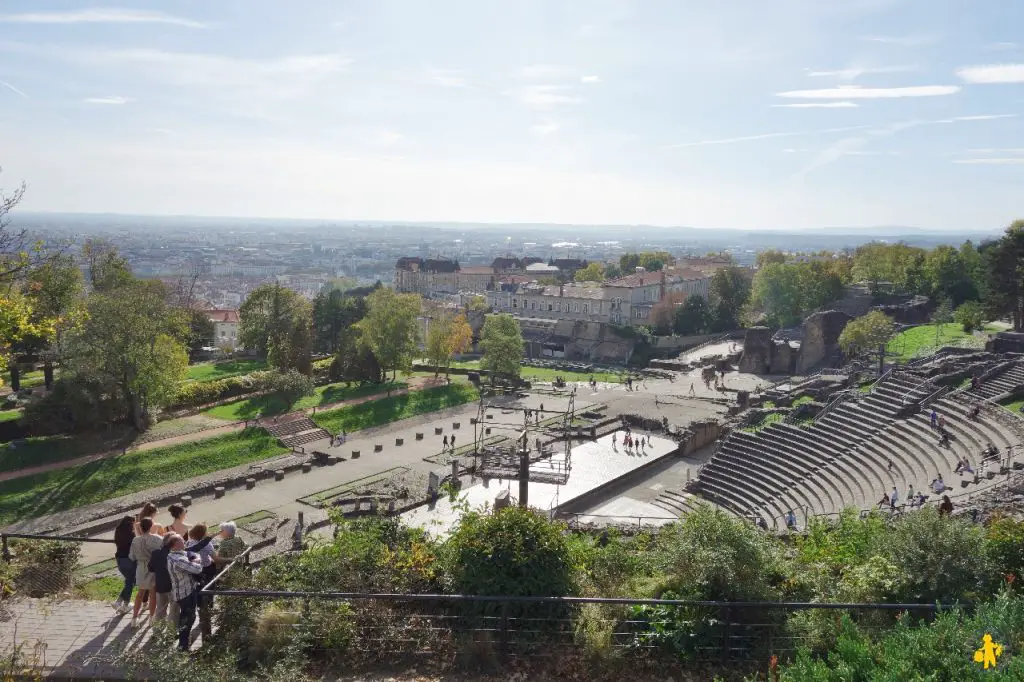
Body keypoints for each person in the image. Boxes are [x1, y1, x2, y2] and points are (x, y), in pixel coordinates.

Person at [166, 533, 204, 651]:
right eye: (182, 540)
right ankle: (183, 646)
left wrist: (193, 559)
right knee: (189, 619)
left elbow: (187, 556)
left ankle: (183, 642)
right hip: (186, 593)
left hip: (180, 592)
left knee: (185, 617)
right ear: (175, 544)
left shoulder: (172, 555)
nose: (184, 541)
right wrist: (199, 559)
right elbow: (197, 569)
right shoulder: (179, 560)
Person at [128, 518, 163, 624]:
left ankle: (134, 618)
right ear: (151, 526)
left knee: (140, 593)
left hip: (141, 567)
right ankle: (152, 618)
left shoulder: (135, 540)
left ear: (140, 527)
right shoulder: (158, 539)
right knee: (153, 594)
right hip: (154, 568)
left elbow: (131, 556)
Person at [111, 516, 136, 614]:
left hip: (120, 560)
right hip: (129, 560)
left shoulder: (118, 532)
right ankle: (123, 604)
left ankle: (121, 602)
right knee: (130, 582)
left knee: (129, 582)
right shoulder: (132, 535)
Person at [150, 535, 177, 625]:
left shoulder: (155, 553)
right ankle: (171, 632)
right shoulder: (175, 554)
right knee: (174, 610)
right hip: (173, 586)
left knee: (160, 610)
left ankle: (157, 631)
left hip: (160, 585)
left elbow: (150, 568)